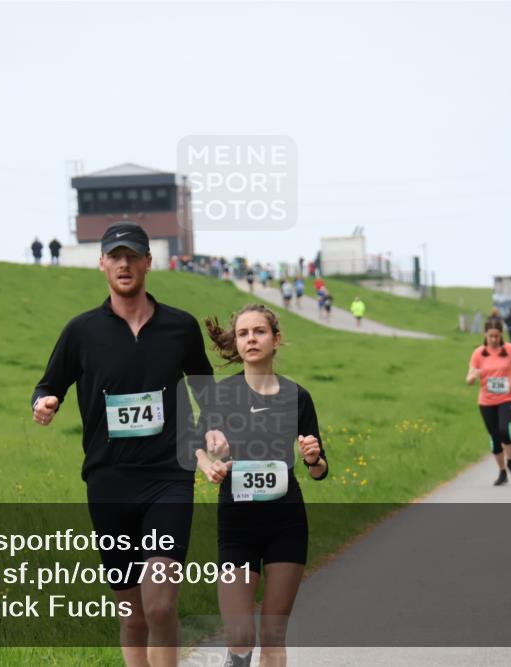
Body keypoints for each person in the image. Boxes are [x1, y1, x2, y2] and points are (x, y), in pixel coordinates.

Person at [30, 221, 213, 667]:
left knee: (160, 605)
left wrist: (213, 428)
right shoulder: (81, 331)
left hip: (169, 477)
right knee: (132, 614)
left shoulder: (180, 327)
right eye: (115, 256)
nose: (124, 264)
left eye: (133, 256)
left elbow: (205, 389)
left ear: (149, 262)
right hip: (109, 481)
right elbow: (48, 384)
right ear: (102, 264)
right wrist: (44, 402)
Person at [198, 304, 328, 667]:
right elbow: (197, 445)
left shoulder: (297, 396)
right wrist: (209, 466)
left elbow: (319, 471)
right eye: (243, 333)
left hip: (286, 522)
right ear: (236, 342)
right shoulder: (222, 395)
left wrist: (313, 458)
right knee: (240, 635)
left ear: (276, 339)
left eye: (259, 331)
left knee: (273, 635)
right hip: (237, 524)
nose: (251, 339)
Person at [466, 317, 511, 486]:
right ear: (485, 335)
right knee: (494, 437)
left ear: (501, 335)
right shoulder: (478, 353)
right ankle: (502, 472)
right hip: (486, 401)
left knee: (504, 430)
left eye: (496, 336)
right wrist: (473, 377)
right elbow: (469, 378)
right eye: (490, 336)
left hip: (507, 398)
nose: (493, 339)